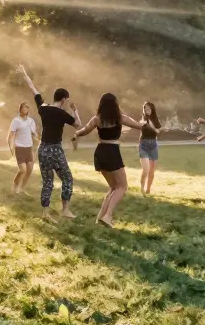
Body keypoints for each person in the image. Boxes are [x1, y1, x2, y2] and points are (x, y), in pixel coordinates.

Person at [17, 65, 82, 220]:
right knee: (67, 178)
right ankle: (65, 209)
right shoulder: (62, 113)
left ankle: (45, 213)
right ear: (64, 99)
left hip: (42, 149)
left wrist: (25, 73)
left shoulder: (43, 108)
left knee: (47, 181)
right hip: (55, 150)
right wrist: (75, 110)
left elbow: (33, 89)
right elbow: (78, 124)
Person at [74, 93, 145, 226]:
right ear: (115, 105)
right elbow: (139, 126)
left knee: (113, 187)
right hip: (112, 152)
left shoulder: (97, 119)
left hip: (100, 152)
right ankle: (108, 216)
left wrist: (76, 134)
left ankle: (100, 218)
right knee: (122, 186)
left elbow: (84, 130)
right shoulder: (120, 118)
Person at [7, 102, 39, 194]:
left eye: (26, 108)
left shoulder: (31, 121)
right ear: (20, 109)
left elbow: (34, 133)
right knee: (22, 170)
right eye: (23, 108)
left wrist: (38, 139)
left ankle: (22, 188)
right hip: (19, 148)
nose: (25, 109)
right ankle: (15, 186)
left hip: (29, 148)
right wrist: (11, 146)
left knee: (29, 170)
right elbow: (11, 134)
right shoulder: (16, 121)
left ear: (28, 110)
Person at [137, 101, 164, 196]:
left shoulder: (155, 120)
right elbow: (142, 128)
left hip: (153, 146)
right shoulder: (142, 120)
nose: (146, 110)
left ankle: (148, 189)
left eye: (148, 108)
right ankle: (142, 189)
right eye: (145, 108)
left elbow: (158, 131)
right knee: (146, 169)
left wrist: (151, 126)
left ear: (152, 109)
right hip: (143, 145)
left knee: (152, 172)